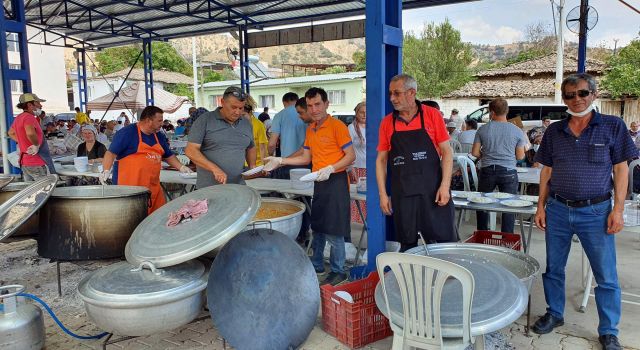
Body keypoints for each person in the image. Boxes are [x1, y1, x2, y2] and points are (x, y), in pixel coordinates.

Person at [532, 73, 637, 350]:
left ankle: (608, 330)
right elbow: (547, 171)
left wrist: (618, 209)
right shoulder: (555, 131)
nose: (576, 99)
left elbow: (621, 169)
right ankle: (555, 313)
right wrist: (540, 206)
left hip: (597, 211)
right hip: (557, 209)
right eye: (569, 95)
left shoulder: (613, 126)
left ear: (594, 94)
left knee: (605, 275)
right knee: (554, 268)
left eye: (581, 93)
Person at [264, 87, 355, 285]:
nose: (314, 109)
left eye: (318, 104)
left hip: (336, 181)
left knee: (334, 229)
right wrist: (281, 160)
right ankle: (317, 264)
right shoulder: (311, 129)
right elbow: (306, 157)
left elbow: (351, 156)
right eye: (310, 105)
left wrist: (332, 168)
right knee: (319, 226)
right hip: (319, 180)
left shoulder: (337, 126)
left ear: (326, 104)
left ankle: (339, 270)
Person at [376, 74, 457, 252]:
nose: (392, 98)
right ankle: (412, 278)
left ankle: (448, 278)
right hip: (403, 194)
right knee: (407, 243)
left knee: (443, 242)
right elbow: (381, 160)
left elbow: (447, 152)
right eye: (391, 93)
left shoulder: (432, 115)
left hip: (433, 192)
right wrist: (383, 194)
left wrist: (445, 186)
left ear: (412, 92)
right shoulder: (387, 123)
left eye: (397, 93)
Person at [101, 106, 192, 214]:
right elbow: (111, 153)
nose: (162, 123)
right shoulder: (127, 133)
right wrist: (106, 170)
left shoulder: (159, 136)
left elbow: (168, 156)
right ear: (148, 120)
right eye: (159, 120)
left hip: (152, 190)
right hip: (128, 192)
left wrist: (181, 167)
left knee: (157, 220)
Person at [471, 98, 527, 233]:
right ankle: (506, 238)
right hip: (508, 172)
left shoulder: (483, 129)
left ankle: (482, 234)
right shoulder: (517, 131)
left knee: (482, 204)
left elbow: (474, 153)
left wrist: (486, 155)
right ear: (507, 111)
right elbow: (520, 157)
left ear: (491, 112)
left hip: (487, 170)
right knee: (508, 207)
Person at [185, 86, 256, 188]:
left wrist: (252, 168)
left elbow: (251, 146)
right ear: (222, 102)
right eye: (233, 107)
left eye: (241, 108)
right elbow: (191, 150)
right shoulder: (205, 120)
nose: (237, 112)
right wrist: (214, 168)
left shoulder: (246, 123)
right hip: (210, 188)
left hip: (238, 187)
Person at [8, 93, 49, 181]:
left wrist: (23, 142)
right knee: (42, 190)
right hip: (35, 162)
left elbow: (10, 133)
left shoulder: (19, 117)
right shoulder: (29, 117)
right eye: (37, 103)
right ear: (30, 105)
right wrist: (36, 144)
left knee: (30, 191)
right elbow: (30, 133)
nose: (40, 105)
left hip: (24, 162)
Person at [268, 92, 306, 178]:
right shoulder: (308, 114)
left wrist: (270, 156)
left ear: (284, 102)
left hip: (287, 162)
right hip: (306, 161)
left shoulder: (279, 115)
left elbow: (272, 143)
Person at [348, 101, 367, 224]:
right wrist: (350, 166)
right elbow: (346, 149)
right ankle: (359, 222)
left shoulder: (374, 126)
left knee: (368, 197)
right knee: (359, 197)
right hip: (357, 167)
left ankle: (368, 221)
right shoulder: (351, 128)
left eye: (367, 112)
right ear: (356, 113)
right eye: (362, 112)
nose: (365, 115)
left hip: (372, 167)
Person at [243, 95, 268, 167]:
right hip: (243, 165)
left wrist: (263, 166)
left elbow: (262, 147)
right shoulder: (237, 125)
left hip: (257, 165)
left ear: (250, 111)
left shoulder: (259, 125)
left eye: (243, 114)